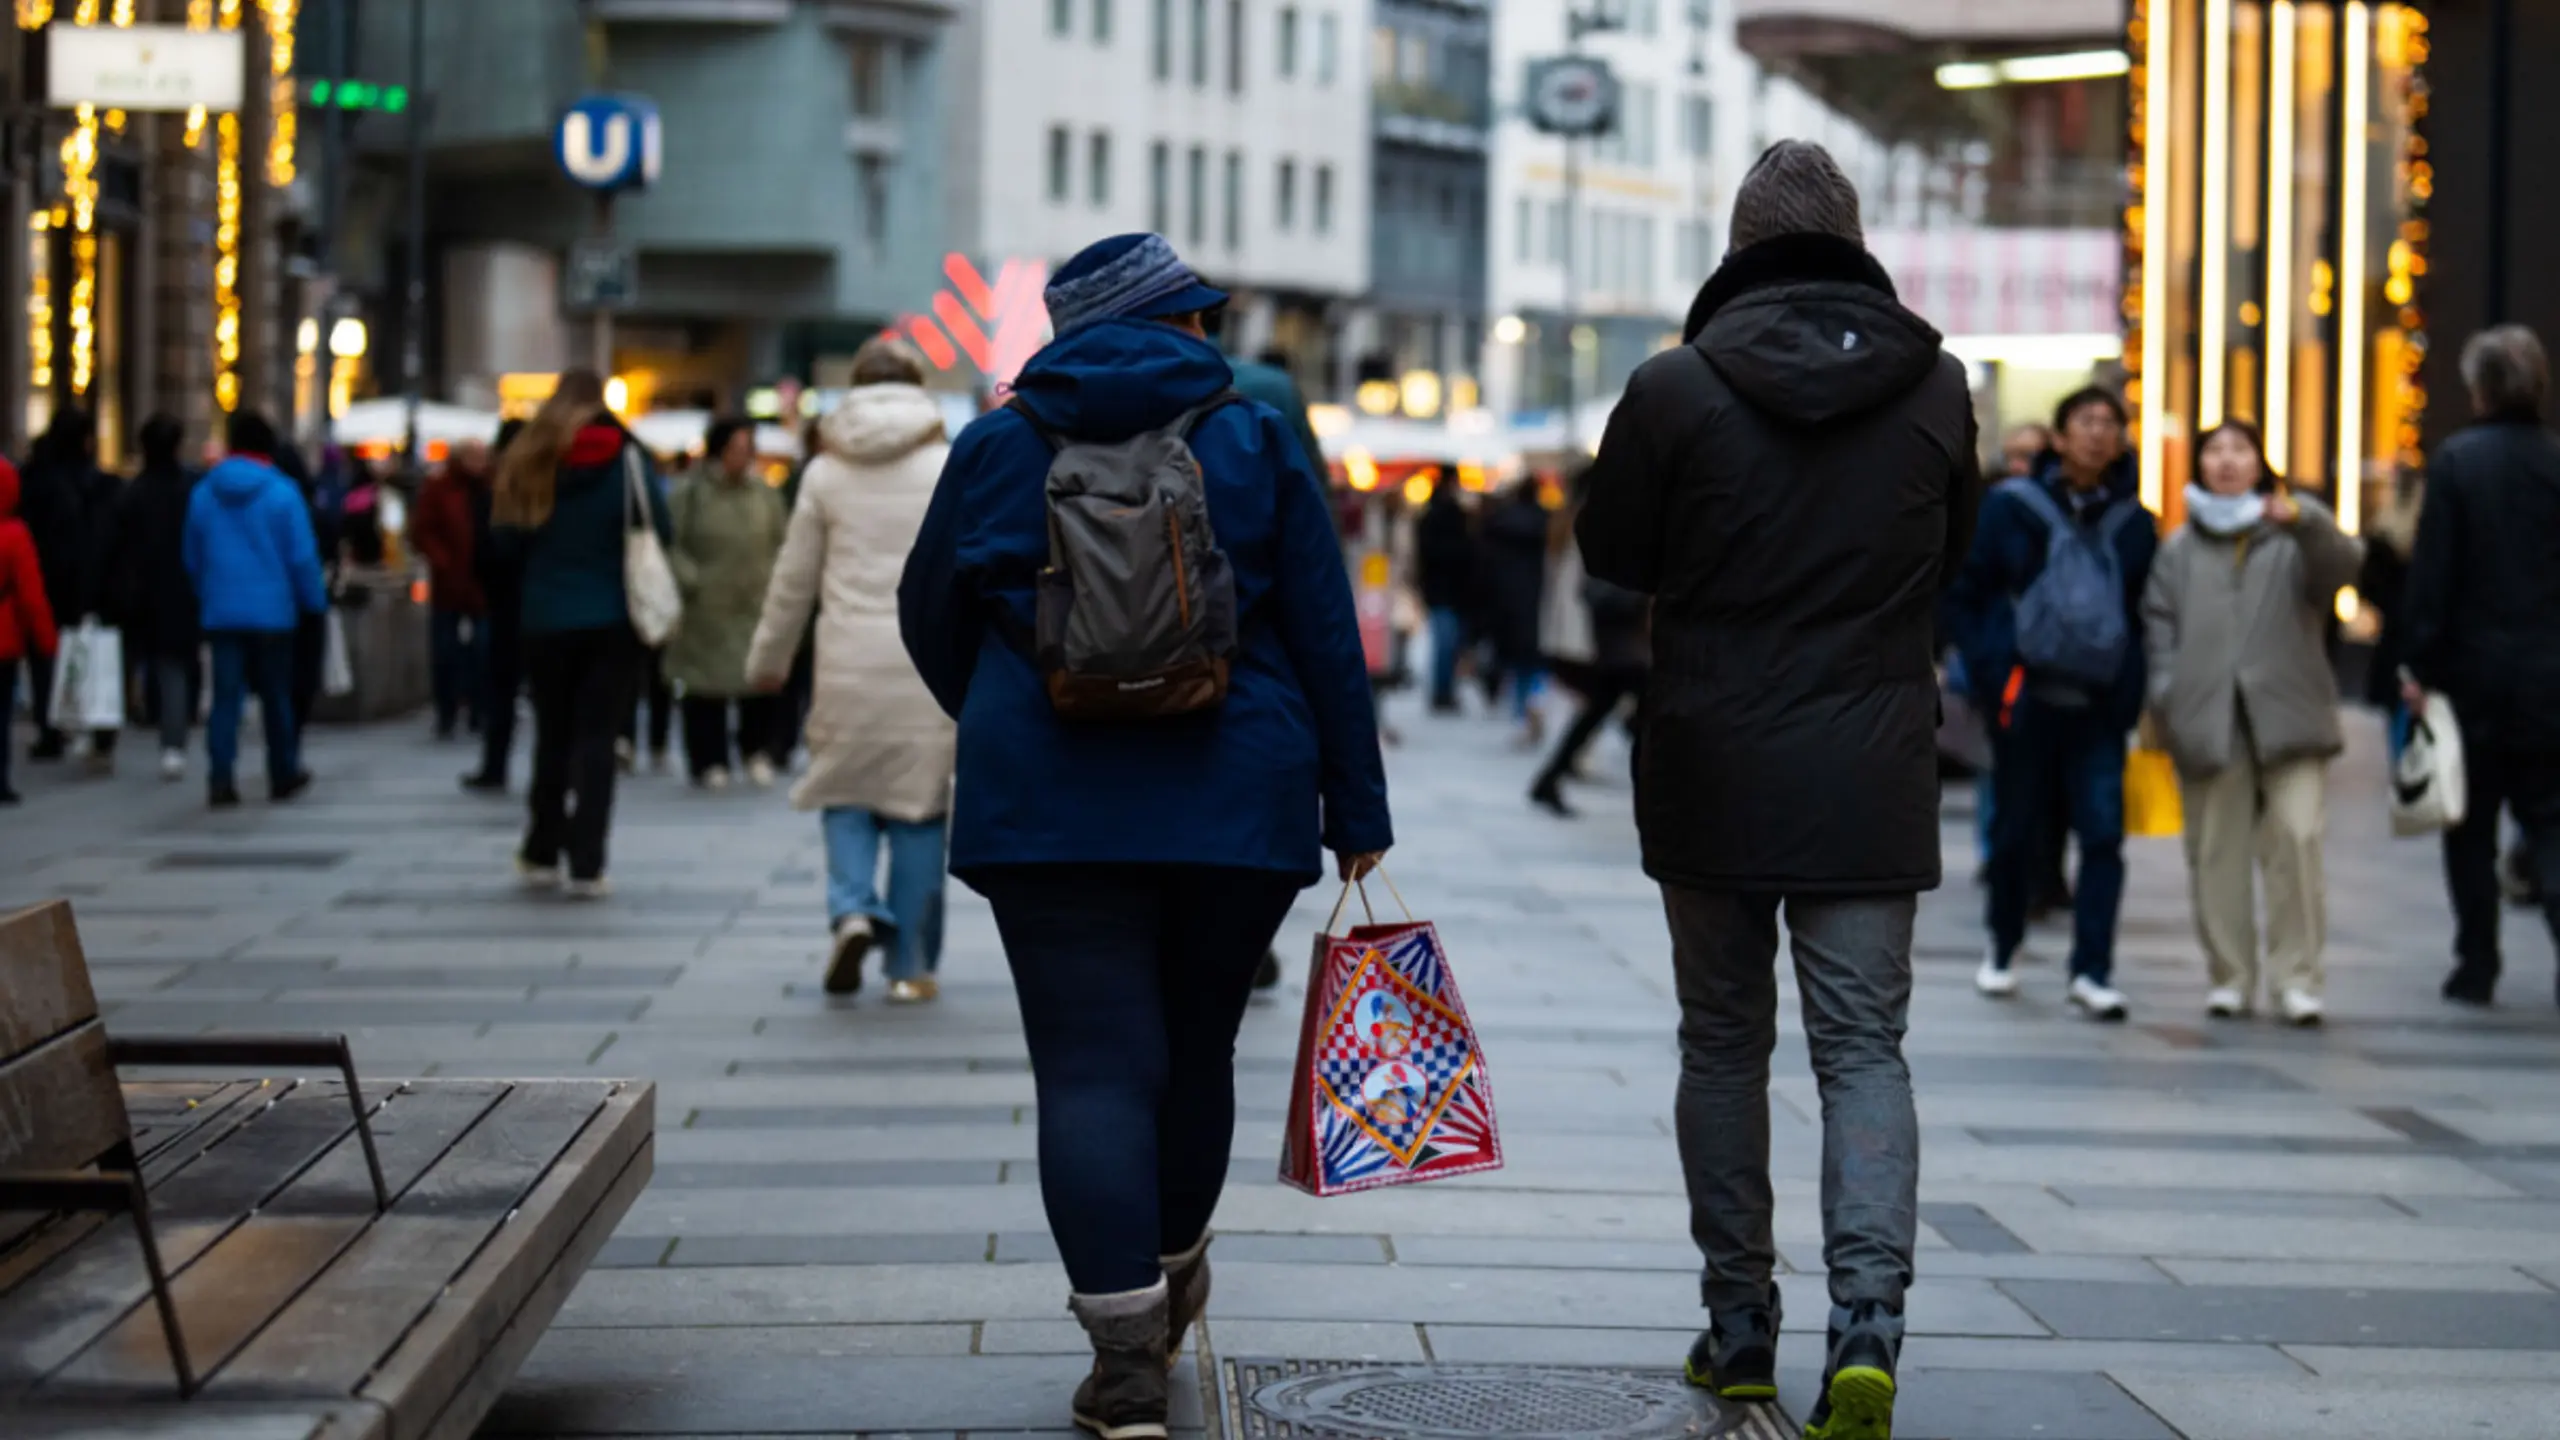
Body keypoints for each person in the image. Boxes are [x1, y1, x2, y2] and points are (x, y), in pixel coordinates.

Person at [899, 232, 1391, 1440]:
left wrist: (1014, 714)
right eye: (1200, 314)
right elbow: (1328, 630)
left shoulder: (996, 443)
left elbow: (926, 616)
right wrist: (1357, 809)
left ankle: (1124, 1365)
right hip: (1236, 797)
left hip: (1049, 811)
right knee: (1196, 1050)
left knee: (1087, 1069)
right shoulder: (1252, 435)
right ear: (1172, 323)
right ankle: (1170, 1279)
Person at [1577, 141, 1972, 1440]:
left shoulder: (1676, 387)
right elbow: (1952, 556)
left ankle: (1739, 1324)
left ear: (1741, 246)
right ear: (1852, 239)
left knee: (1723, 1042)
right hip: (1869, 766)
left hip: (1713, 760)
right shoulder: (1938, 389)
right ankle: (1869, 1325)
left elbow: (1615, 553)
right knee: (1864, 1047)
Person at [747, 336, 957, 1004]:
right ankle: (910, 964)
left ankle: (854, 910)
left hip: (845, 662)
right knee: (919, 810)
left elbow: (792, 582)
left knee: (845, 796)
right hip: (925, 666)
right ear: (919, 388)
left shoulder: (824, 474)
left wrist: (769, 661)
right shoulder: (946, 465)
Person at [2141, 420, 2362, 1026]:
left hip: (2290, 716)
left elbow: (2346, 567)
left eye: (2240, 450)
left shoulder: (2292, 533)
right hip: (2209, 720)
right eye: (2215, 451)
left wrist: (2307, 519)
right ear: (2200, 465)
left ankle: (2298, 979)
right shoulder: (2179, 547)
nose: (2228, 461)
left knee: (2298, 838)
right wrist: (2169, 694)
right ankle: (2230, 976)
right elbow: (2158, 627)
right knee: (2216, 852)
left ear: (2261, 463)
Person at [1949, 386, 2157, 1019]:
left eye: (2109, 424)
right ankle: (2003, 946)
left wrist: (2131, 693)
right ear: (2059, 437)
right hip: (2026, 700)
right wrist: (1996, 676)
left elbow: (2145, 615)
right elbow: (1965, 593)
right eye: (2085, 422)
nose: (2098, 434)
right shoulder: (2011, 508)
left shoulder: (2136, 524)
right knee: (2013, 833)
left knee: (2102, 836)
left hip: (2098, 707)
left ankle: (2093, 968)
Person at [2399, 324, 2560, 1007]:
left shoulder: (2459, 463)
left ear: (2480, 390)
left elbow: (2435, 575)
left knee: (2469, 824)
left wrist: (2418, 664)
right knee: (2551, 820)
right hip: (2550, 677)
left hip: (2471, 675)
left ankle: (2477, 960)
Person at [491, 370, 671, 897]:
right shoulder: (628, 460)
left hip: (544, 617)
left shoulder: (530, 457)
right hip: (613, 619)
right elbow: (660, 527)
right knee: (597, 738)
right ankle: (588, 862)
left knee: (552, 734)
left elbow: (504, 543)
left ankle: (543, 848)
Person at [183, 411, 327, 808]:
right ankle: (282, 771)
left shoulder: (204, 493)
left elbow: (192, 556)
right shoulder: (283, 493)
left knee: (225, 698)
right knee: (276, 695)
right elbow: (301, 558)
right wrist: (312, 602)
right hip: (273, 613)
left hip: (222, 610)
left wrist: (207, 593)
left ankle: (220, 777)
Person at [667, 417, 788, 789]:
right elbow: (672, 542)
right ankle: (708, 759)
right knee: (706, 688)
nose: (743, 457)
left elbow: (782, 541)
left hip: (754, 603)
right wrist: (692, 580)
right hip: (707, 607)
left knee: (758, 683)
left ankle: (756, 751)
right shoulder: (690, 493)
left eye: (747, 449)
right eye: (736, 449)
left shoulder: (764, 494)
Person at [1531, 471, 1648, 817]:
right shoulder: (1601, 522)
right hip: (1611, 637)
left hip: (1599, 635)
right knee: (1633, 709)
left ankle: (1549, 778)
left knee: (1603, 707)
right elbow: (1599, 584)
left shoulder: (1578, 519)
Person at [17, 408, 120, 768]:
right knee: (90, 652)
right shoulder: (98, 484)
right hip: (85, 580)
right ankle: (92, 722)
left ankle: (53, 725)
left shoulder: (38, 479)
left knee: (46, 656)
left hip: (50, 579)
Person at [108, 415, 203, 781]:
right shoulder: (190, 491)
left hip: (136, 590)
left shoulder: (132, 493)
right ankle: (172, 743)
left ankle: (106, 735)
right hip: (178, 590)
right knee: (173, 668)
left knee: (127, 663)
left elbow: (116, 546)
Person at [463, 419, 529, 793]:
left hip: (505, 604)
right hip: (530, 603)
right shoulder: (545, 492)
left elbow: (483, 554)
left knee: (501, 689)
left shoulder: (495, 495)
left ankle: (494, 765)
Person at [414, 439, 493, 741]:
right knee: (445, 649)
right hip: (450, 582)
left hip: (481, 582)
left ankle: (478, 708)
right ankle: (447, 709)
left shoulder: (489, 487)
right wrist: (443, 562)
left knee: (483, 649)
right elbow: (423, 531)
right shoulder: (440, 488)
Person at [0, 457, 60, 804]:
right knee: (2, 712)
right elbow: (31, 594)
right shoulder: (15, 534)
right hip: (5, 640)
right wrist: (45, 639)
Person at [1478, 479, 1552, 743]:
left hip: (1505, 599)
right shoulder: (1546, 524)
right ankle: (1531, 706)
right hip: (1538, 598)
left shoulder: (1499, 525)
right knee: (1535, 658)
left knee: (1513, 657)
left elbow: (1486, 566)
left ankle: (1520, 709)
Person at [1414, 481, 1474, 714]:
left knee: (1444, 644)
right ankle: (1443, 692)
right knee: (1446, 644)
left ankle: (1443, 691)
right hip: (1449, 591)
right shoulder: (1454, 521)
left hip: (1441, 590)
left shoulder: (1431, 519)